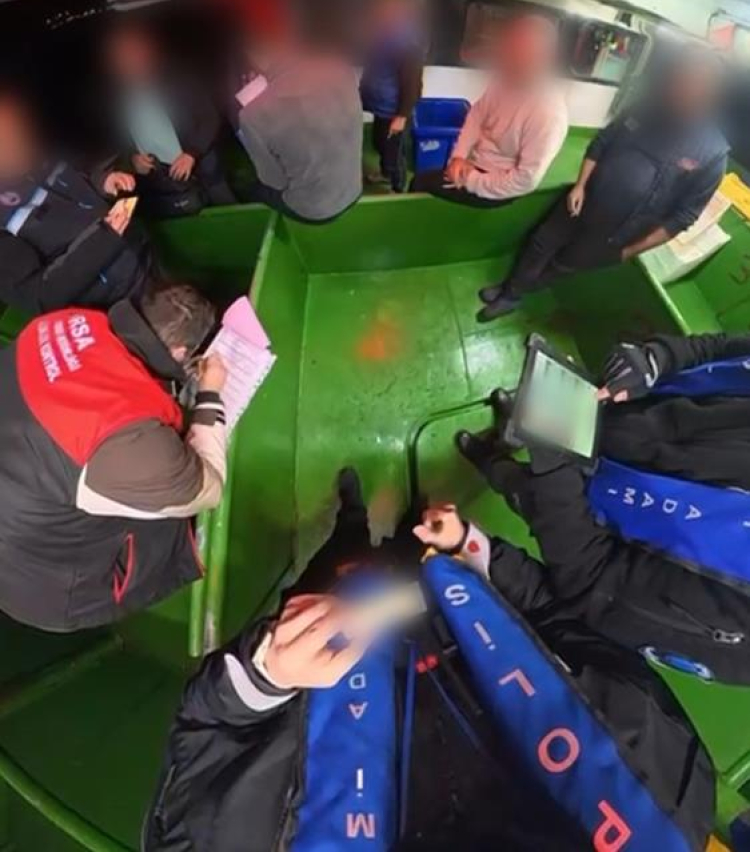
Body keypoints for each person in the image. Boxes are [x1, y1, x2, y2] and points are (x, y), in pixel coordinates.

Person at [144, 474, 715, 852]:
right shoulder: (668, 784)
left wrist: (267, 673)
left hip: (318, 664)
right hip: (436, 597)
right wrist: (474, 546)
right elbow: (561, 621)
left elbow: (208, 733)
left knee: (331, 570)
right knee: (374, 549)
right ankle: (356, 522)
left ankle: (349, 531)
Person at [457, 326, 750, 684]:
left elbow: (594, 579)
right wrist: (657, 359)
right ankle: (516, 426)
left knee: (523, 488)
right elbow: (719, 347)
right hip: (605, 414)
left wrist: (551, 467)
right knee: (533, 423)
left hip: (578, 508)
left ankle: (493, 465)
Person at [0, 282, 228, 631]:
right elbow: (208, 489)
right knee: (169, 512)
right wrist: (210, 393)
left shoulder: (61, 322)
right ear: (181, 353)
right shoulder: (126, 443)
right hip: (43, 587)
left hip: (22, 501)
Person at [478, 43, 727, 321]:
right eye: (680, 79)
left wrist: (629, 251)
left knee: (563, 265)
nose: (680, 89)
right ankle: (509, 289)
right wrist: (580, 185)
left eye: (693, 83)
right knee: (540, 243)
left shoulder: (713, 153)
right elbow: (603, 141)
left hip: (615, 234)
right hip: (583, 201)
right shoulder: (646, 107)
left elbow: (682, 218)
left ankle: (516, 294)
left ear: (709, 92)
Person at [0, 90, 150, 314]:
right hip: (110, 307)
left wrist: (103, 181)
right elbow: (40, 296)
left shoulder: (39, 148)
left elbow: (79, 171)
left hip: (141, 257)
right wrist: (104, 238)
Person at [410, 11, 568, 208]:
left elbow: (525, 181)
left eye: (520, 51)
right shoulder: (505, 77)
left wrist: (471, 180)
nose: (507, 57)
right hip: (474, 162)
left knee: (420, 182)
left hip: (500, 183)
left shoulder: (549, 112)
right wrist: (458, 157)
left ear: (544, 57)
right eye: (509, 48)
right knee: (430, 176)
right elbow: (478, 114)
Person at [102, 22, 235, 217]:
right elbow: (120, 142)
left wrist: (192, 153)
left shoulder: (178, 77)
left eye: (134, 51)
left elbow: (210, 117)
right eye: (121, 56)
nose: (130, 60)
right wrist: (132, 160)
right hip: (162, 180)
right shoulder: (115, 99)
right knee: (188, 225)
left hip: (203, 166)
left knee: (231, 214)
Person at [236, 35, 363, 222]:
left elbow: (274, 182)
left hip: (314, 210)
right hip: (354, 190)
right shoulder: (343, 70)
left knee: (245, 185)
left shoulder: (252, 115)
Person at [359, 0, 424, 193]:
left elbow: (412, 83)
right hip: (380, 105)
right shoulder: (381, 32)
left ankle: (398, 187)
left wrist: (402, 116)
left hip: (394, 110)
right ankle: (385, 174)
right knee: (379, 142)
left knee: (393, 153)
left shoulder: (407, 43)